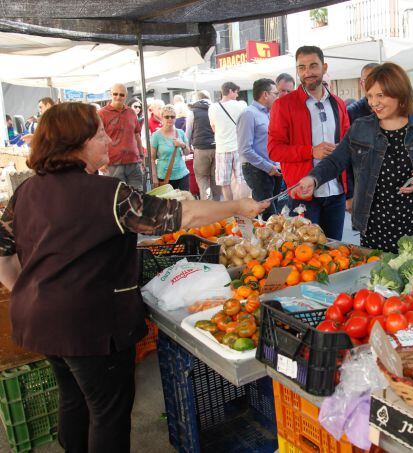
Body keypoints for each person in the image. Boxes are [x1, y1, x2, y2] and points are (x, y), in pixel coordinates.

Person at [0, 102, 268, 453]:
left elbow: (3, 251)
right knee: (108, 412)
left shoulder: (26, 193)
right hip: (92, 326)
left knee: (73, 399)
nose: (108, 140)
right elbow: (181, 216)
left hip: (40, 321)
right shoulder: (110, 194)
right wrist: (235, 206)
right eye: (98, 134)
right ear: (75, 143)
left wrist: (25, 290)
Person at [293, 62, 413, 253]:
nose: (373, 102)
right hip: (376, 225)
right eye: (369, 96)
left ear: (399, 92)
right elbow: (336, 160)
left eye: (380, 95)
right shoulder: (361, 128)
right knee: (381, 281)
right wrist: (314, 178)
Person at [268, 45, 351, 241]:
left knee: (334, 252)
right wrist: (311, 151)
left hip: (336, 191)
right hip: (302, 193)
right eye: (302, 67)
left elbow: (349, 144)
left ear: (324, 67)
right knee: (306, 253)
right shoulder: (283, 105)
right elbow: (274, 150)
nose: (307, 72)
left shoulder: (338, 103)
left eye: (313, 66)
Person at [237, 79, 283, 220]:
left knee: (274, 213)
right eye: (275, 93)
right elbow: (245, 149)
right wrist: (268, 167)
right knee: (270, 216)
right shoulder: (248, 114)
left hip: (272, 169)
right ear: (265, 94)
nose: (278, 96)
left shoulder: (268, 113)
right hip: (257, 170)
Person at [98, 84, 144, 189]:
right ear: (110, 94)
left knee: (138, 196)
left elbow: (137, 135)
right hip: (112, 163)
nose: (118, 97)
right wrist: (100, 162)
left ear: (126, 96)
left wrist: (141, 156)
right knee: (118, 198)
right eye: (115, 94)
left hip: (133, 162)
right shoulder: (101, 114)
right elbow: (97, 139)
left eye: (121, 95)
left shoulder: (131, 112)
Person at [209, 82, 247, 201]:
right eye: (236, 92)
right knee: (242, 180)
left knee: (224, 183)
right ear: (230, 91)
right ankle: (243, 207)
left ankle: (230, 208)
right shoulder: (241, 105)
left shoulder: (213, 107)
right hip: (239, 148)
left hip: (222, 149)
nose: (237, 95)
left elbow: (213, 128)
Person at [186, 90, 221, 200]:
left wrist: (188, 147)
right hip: (217, 149)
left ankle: (207, 205)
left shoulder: (193, 112)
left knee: (202, 178)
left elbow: (188, 133)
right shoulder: (217, 110)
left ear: (197, 99)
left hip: (201, 150)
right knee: (216, 179)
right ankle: (217, 206)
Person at [150, 104, 191, 190]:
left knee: (185, 201)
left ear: (175, 118)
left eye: (172, 117)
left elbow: (187, 152)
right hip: (164, 176)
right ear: (162, 118)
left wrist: (182, 145)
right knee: (169, 202)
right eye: (167, 117)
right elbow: (152, 158)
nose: (170, 119)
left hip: (182, 174)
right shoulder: (156, 136)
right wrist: (154, 177)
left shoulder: (180, 133)